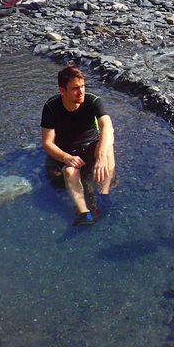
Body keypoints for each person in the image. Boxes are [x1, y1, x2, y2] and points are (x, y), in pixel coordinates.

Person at [41, 64, 115, 226]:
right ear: (63, 90)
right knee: (69, 171)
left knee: (107, 147)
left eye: (82, 86)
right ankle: (84, 213)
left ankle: (104, 193)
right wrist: (66, 157)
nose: (81, 92)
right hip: (67, 151)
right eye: (75, 88)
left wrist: (101, 156)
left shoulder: (92, 100)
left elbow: (107, 127)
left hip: (90, 146)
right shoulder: (51, 107)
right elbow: (47, 143)